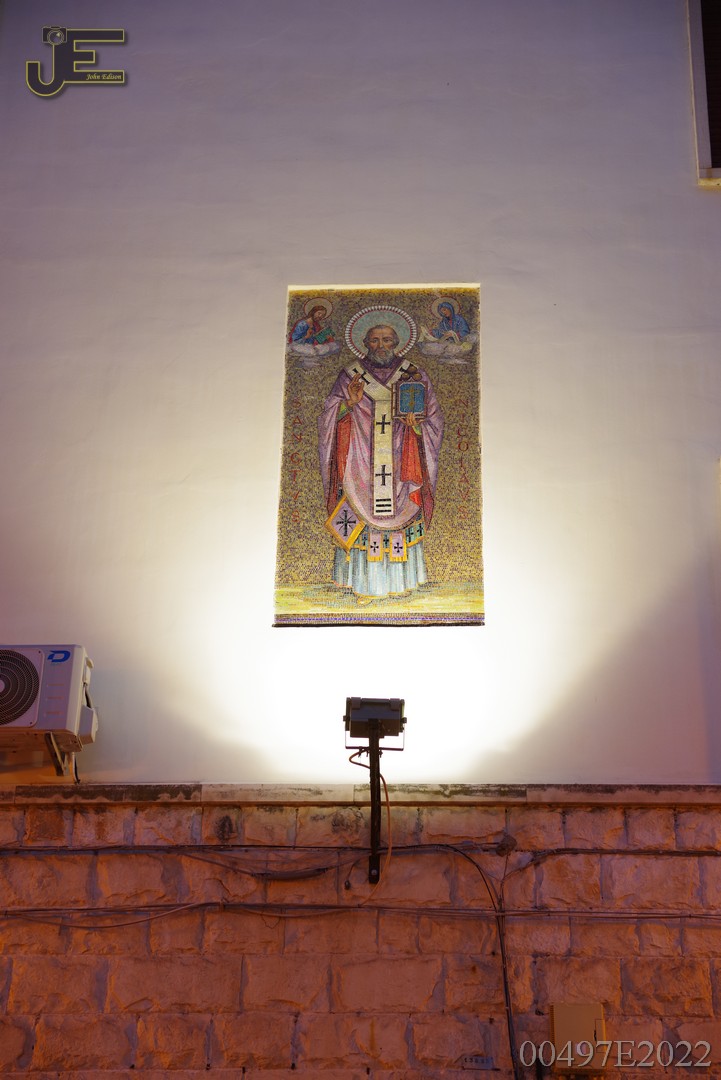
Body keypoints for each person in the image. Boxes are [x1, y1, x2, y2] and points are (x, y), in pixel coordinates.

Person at [318, 323, 444, 602]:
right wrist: (349, 404)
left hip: (401, 461)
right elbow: (329, 416)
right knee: (359, 504)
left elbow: (434, 418)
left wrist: (417, 425)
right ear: (365, 343)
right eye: (374, 340)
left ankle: (402, 580)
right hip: (359, 461)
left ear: (397, 342)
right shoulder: (351, 375)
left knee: (401, 509)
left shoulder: (414, 374)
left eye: (387, 340)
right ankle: (362, 583)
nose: (381, 346)